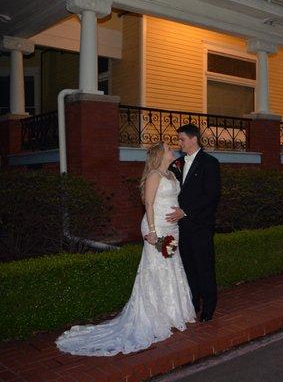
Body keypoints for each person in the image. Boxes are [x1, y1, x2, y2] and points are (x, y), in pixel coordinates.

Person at [55, 142, 195, 356]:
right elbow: (148, 204)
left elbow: (177, 199)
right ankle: (155, 315)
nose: (172, 149)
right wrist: (153, 231)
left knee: (172, 266)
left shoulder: (172, 174)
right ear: (160, 155)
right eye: (168, 148)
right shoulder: (154, 175)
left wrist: (181, 213)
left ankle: (172, 312)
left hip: (172, 227)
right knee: (156, 268)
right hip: (155, 227)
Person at [167, 124, 221, 322]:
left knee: (204, 267)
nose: (179, 143)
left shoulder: (210, 163)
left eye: (182, 139)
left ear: (193, 139)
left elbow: (211, 195)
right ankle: (193, 302)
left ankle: (209, 307)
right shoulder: (177, 163)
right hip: (181, 227)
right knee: (188, 267)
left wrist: (186, 212)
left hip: (200, 226)